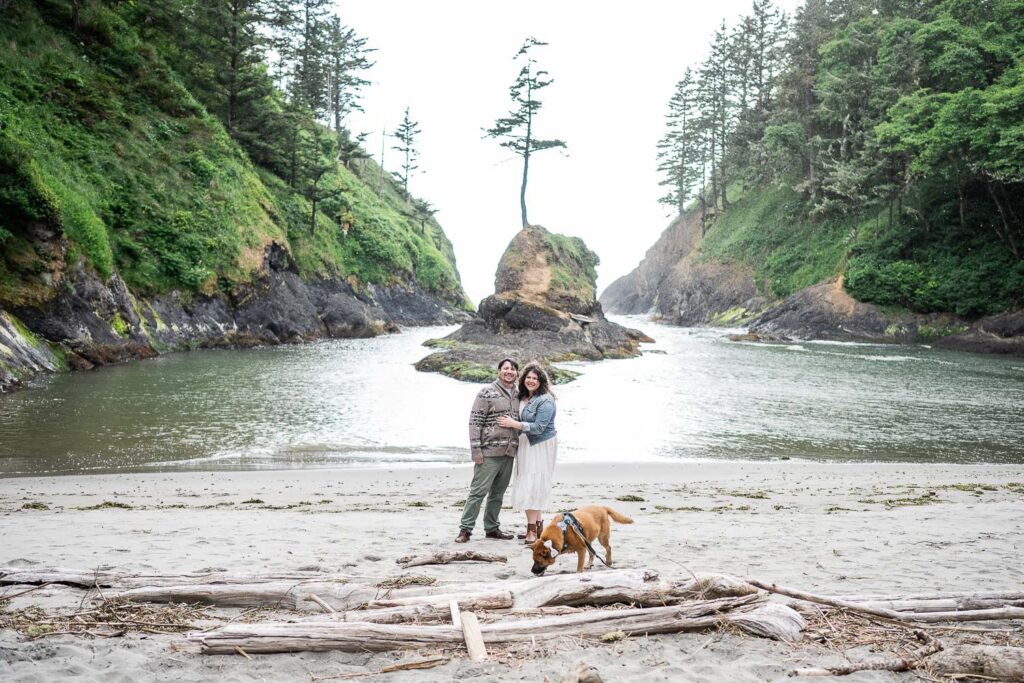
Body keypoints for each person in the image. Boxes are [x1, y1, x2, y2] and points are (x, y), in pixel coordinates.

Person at [454, 358, 520, 543]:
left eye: (513, 369)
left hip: (509, 453)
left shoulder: (519, 394)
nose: (509, 371)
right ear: (499, 371)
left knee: (497, 494)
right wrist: (476, 451)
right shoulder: (486, 392)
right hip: (488, 453)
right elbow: (475, 422)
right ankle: (465, 530)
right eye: (506, 368)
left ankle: (492, 528)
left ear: (516, 373)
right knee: (478, 492)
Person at [497, 362, 557, 544]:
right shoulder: (521, 397)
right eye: (528, 377)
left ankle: (531, 531)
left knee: (534, 483)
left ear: (541, 381)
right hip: (524, 443)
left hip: (540, 444)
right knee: (529, 482)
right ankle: (539, 526)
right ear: (523, 380)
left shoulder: (546, 399)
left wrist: (514, 424)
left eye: (535, 378)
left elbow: (539, 428)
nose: (531, 381)